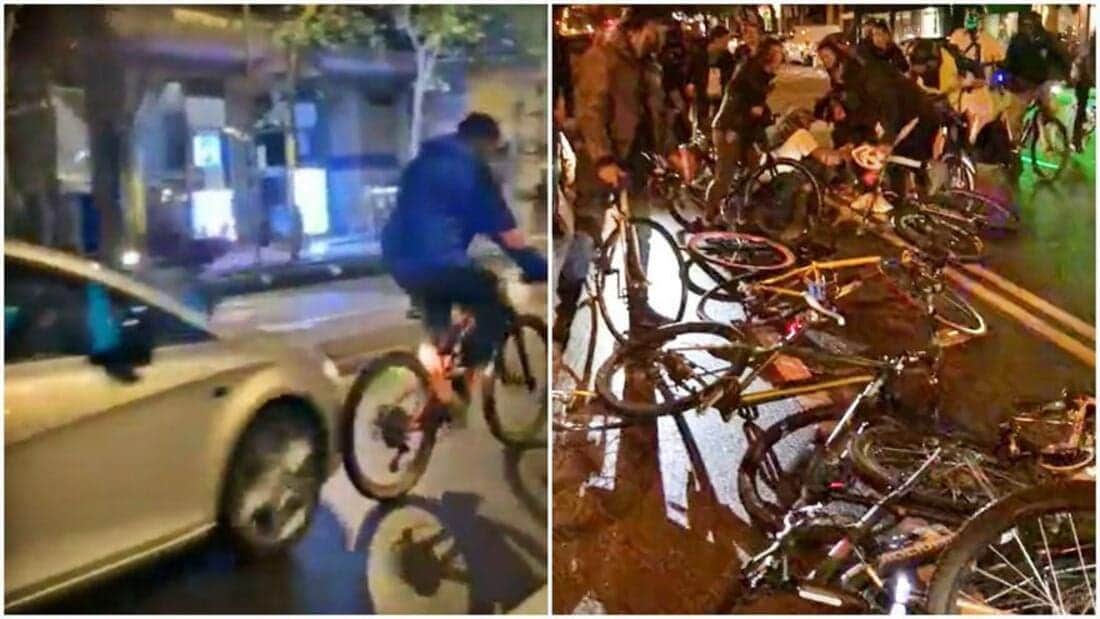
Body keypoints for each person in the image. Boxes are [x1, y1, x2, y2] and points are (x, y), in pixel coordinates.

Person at [382, 113, 547, 414]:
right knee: (491, 304)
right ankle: (458, 387)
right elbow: (506, 234)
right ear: (485, 143)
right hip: (439, 261)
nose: (493, 157)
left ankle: (431, 388)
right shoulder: (473, 170)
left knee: (437, 325)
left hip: (399, 260)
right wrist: (536, 268)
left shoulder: (420, 162)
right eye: (494, 150)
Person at [553, 7, 673, 350]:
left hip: (635, 162)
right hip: (599, 161)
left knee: (641, 235)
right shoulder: (601, 58)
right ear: (638, 27)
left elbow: (656, 111)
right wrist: (603, 159)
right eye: (657, 27)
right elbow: (591, 113)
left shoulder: (649, 63)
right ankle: (566, 309)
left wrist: (671, 148)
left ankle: (639, 310)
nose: (661, 36)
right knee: (587, 236)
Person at [703, 37, 784, 224]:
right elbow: (741, 104)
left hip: (744, 129)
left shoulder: (762, 74)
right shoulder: (751, 72)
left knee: (753, 168)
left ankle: (740, 211)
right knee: (724, 176)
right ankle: (708, 216)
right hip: (729, 128)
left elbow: (756, 107)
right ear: (768, 55)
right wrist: (734, 127)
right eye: (778, 53)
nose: (782, 56)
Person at [1003, 10, 1074, 140]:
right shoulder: (1021, 40)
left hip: (1036, 82)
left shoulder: (1043, 38)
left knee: (1045, 111)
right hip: (1029, 83)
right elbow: (1009, 62)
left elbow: (1061, 56)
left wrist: (1065, 75)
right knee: (1017, 115)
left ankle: (1040, 140)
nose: (1028, 27)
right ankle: (1017, 142)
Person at [688, 25, 736, 134]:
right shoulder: (700, 54)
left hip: (719, 96)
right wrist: (691, 84)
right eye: (725, 39)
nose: (727, 43)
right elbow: (691, 71)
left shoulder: (727, 58)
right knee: (701, 122)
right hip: (702, 95)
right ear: (716, 39)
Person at [1071, 31, 1095, 152]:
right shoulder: (1092, 47)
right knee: (1081, 109)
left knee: (1083, 109)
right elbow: (1090, 66)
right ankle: (1075, 141)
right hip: (1081, 79)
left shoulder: (1090, 43)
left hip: (1084, 77)